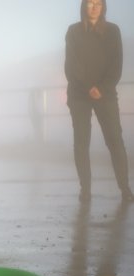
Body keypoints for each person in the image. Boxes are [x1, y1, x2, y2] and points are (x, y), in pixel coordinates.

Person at [65, 0, 134, 203]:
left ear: (103, 7)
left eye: (98, 3)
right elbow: (71, 65)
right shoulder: (73, 31)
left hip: (106, 94)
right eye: (90, 3)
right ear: (84, 6)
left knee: (115, 140)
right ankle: (85, 189)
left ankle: (125, 188)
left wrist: (101, 88)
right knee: (81, 142)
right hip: (79, 94)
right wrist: (88, 88)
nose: (94, 7)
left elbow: (116, 64)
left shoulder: (113, 31)